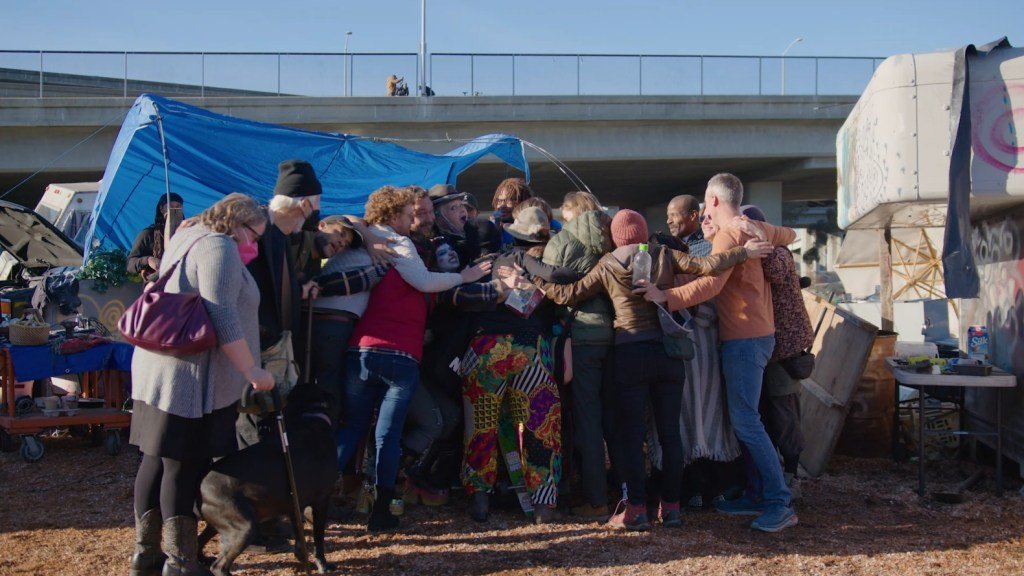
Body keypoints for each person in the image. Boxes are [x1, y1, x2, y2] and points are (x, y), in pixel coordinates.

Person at [529, 209, 766, 531]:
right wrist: (744, 252)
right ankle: (671, 507)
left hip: (628, 353)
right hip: (667, 353)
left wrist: (534, 276)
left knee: (630, 436)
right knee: (670, 434)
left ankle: (636, 508)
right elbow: (707, 265)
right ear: (642, 232)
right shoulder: (665, 254)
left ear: (616, 236)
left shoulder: (608, 263)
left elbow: (568, 293)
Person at [638, 173, 799, 533]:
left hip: (743, 339)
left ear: (711, 200)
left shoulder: (729, 235)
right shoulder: (749, 225)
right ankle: (760, 495)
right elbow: (791, 234)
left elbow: (711, 282)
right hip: (759, 334)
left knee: (746, 423)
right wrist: (760, 231)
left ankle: (779, 501)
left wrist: (666, 297)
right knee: (751, 420)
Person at [129, 193, 274, 576]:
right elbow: (222, 314)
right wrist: (252, 373)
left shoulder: (189, 233)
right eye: (254, 236)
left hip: (161, 371)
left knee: (156, 461)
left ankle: (146, 556)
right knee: (183, 466)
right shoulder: (218, 248)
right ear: (237, 224)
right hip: (188, 380)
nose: (255, 246)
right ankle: (180, 564)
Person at [336, 185, 491, 532]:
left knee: (352, 427)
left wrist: (360, 227)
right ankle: (380, 510)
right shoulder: (399, 244)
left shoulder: (364, 239)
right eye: (409, 214)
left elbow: (339, 219)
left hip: (360, 347)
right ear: (393, 215)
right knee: (386, 435)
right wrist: (463, 277)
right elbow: (423, 282)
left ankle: (307, 499)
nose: (414, 220)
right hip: (400, 352)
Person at [460, 206, 567, 524]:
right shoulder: (525, 260)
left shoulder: (470, 267)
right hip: (529, 347)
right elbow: (556, 288)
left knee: (480, 425)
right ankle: (544, 505)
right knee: (541, 424)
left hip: (483, 350)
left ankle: (479, 499)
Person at [541, 191, 620, 520]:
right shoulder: (614, 237)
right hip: (615, 336)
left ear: (572, 212)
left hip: (581, 339)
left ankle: (596, 500)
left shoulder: (562, 241)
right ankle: (626, 494)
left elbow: (552, 291)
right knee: (615, 421)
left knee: (586, 421)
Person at [741, 204, 813, 502]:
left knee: (784, 415)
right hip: (778, 346)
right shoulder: (778, 251)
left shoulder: (777, 253)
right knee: (775, 414)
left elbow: (774, 271)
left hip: (783, 349)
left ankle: (792, 476)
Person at [126, 192, 184, 281]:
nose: (174, 210)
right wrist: (148, 260)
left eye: (178, 206)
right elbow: (130, 264)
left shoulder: (188, 234)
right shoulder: (148, 234)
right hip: (156, 286)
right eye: (171, 206)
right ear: (161, 209)